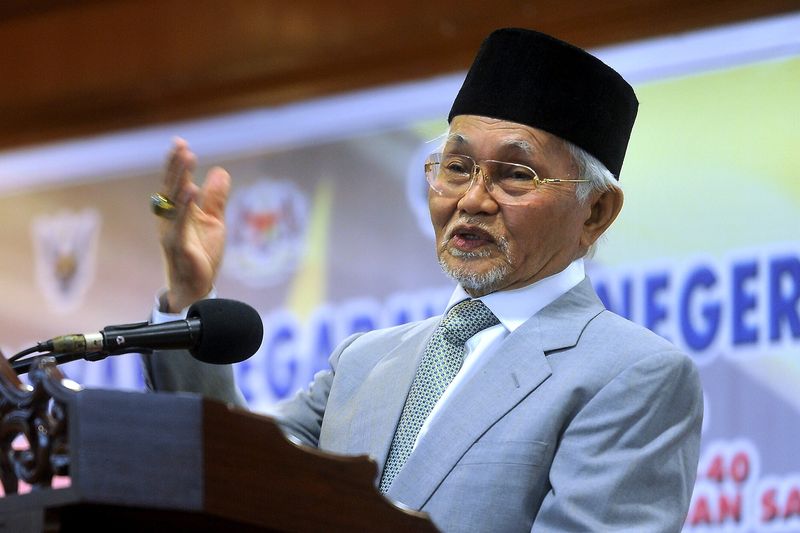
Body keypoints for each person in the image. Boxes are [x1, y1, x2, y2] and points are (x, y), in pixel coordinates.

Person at [143, 28, 703, 532]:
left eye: (515, 175)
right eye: (456, 167)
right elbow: (236, 477)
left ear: (596, 212)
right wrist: (191, 295)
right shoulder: (363, 362)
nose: (473, 199)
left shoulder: (631, 374)